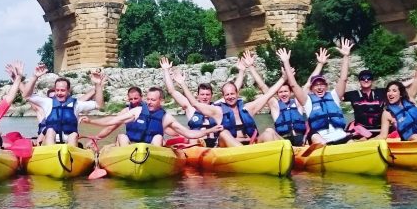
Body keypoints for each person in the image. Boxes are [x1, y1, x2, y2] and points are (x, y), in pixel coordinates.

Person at [170, 64, 284, 147]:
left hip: (250, 144)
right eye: (227, 95)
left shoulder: (248, 108)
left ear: (237, 94)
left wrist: (284, 78)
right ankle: (245, 155)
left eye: (232, 94)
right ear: (223, 97)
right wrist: (182, 83)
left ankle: (286, 152)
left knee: (269, 131)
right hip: (230, 148)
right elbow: (195, 103)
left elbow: (268, 94)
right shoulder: (218, 111)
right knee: (223, 133)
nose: (230, 96)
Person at [79, 87, 222, 147]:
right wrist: (92, 121)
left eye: (153, 100)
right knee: (122, 137)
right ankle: (126, 161)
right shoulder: (137, 111)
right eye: (148, 99)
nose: (149, 102)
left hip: (150, 150)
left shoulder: (166, 117)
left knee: (158, 137)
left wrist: (209, 131)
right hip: (132, 148)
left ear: (161, 101)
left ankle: (153, 160)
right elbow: (112, 121)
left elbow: (188, 132)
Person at [278, 40, 353, 145]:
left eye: (322, 84)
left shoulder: (334, 96)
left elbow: (343, 79)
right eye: (316, 85)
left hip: (341, 137)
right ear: (312, 88)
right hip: (322, 141)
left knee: (351, 141)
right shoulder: (307, 101)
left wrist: (345, 56)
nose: (319, 87)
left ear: (326, 86)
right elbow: (294, 85)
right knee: (314, 136)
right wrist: (286, 61)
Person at [234, 50, 307, 146]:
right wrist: (251, 67)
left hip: (300, 139)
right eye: (280, 92)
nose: (283, 94)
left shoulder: (298, 103)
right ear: (277, 94)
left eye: (285, 91)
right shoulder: (275, 105)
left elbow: (303, 85)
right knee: (269, 131)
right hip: (283, 140)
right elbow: (263, 86)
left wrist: (320, 64)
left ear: (291, 93)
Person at [22, 63, 105, 147]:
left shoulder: (76, 104)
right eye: (57, 90)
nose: (59, 93)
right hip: (51, 141)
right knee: (50, 130)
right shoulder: (48, 102)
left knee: (74, 135)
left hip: (69, 142)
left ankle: (69, 155)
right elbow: (26, 95)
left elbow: (99, 105)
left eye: (62, 90)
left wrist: (97, 84)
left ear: (68, 91)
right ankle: (52, 153)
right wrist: (35, 77)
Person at [161, 58, 221, 147]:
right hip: (196, 146)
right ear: (197, 96)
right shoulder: (190, 108)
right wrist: (166, 70)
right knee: (193, 138)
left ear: (211, 96)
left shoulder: (217, 108)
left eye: (207, 95)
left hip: (215, 145)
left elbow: (232, 94)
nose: (205, 97)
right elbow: (172, 91)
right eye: (202, 94)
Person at [343, 68, 387, 137]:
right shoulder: (353, 94)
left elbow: (398, 87)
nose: (366, 80)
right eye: (363, 78)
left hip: (380, 130)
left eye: (369, 78)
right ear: (359, 81)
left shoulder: (381, 92)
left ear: (372, 80)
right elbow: (337, 95)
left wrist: (411, 80)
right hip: (360, 131)